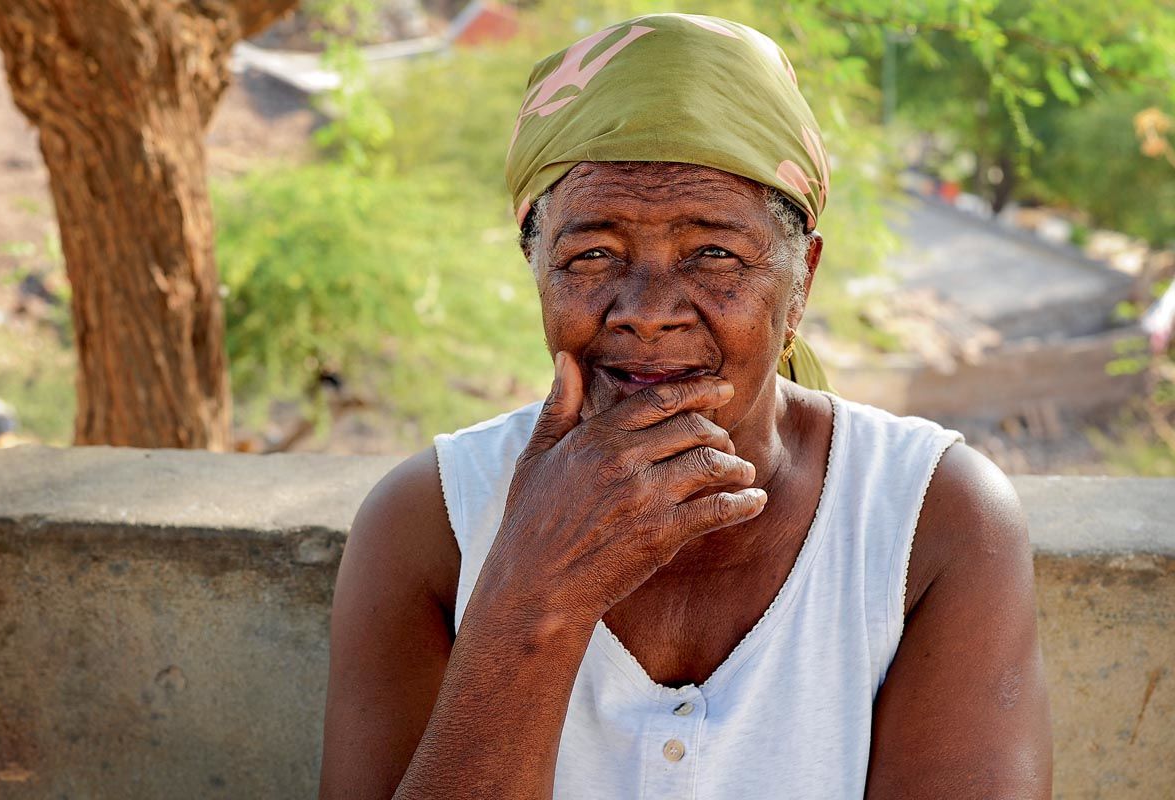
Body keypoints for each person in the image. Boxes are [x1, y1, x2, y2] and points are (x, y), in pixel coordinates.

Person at [318, 13, 1051, 799]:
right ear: (535, 267)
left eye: (713, 254)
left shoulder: (930, 520)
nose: (648, 310)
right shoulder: (432, 522)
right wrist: (535, 591)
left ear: (800, 278)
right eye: (592, 254)